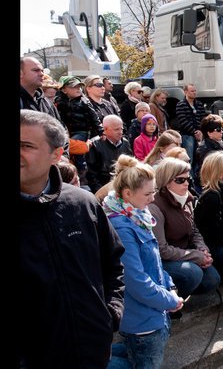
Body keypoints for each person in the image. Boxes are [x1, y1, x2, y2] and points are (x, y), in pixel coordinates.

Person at [19, 110, 125, 368]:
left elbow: (113, 263)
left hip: (92, 350)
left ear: (56, 154)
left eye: (26, 146)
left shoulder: (82, 203)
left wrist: (111, 312)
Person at [103, 155, 183, 368]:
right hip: (141, 321)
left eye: (153, 192)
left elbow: (154, 262)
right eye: (147, 194)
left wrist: (170, 286)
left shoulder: (137, 215)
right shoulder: (122, 227)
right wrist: (169, 300)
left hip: (151, 312)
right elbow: (135, 280)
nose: (153, 198)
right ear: (127, 193)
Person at [148, 157, 221, 299]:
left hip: (184, 253)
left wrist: (202, 248)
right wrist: (195, 256)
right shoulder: (155, 207)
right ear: (166, 181)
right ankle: (169, 299)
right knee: (193, 273)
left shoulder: (186, 199)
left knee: (212, 280)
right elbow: (161, 249)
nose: (186, 183)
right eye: (180, 180)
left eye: (188, 179)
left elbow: (194, 230)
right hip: (165, 260)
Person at [87, 115, 134, 193]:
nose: (120, 132)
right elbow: (91, 175)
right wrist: (101, 193)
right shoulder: (95, 145)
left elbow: (131, 167)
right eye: (116, 129)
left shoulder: (125, 143)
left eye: (121, 129)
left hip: (124, 188)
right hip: (103, 189)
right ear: (105, 129)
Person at [19, 57, 63, 123]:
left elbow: (59, 127)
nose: (42, 74)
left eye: (42, 71)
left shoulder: (47, 103)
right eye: (35, 70)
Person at [176, 83, 207, 165]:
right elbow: (183, 120)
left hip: (199, 134)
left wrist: (200, 131)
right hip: (187, 135)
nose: (194, 93)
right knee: (189, 158)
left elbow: (203, 119)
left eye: (195, 91)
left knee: (199, 158)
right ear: (185, 92)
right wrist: (194, 132)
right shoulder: (180, 105)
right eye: (192, 91)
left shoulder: (199, 104)